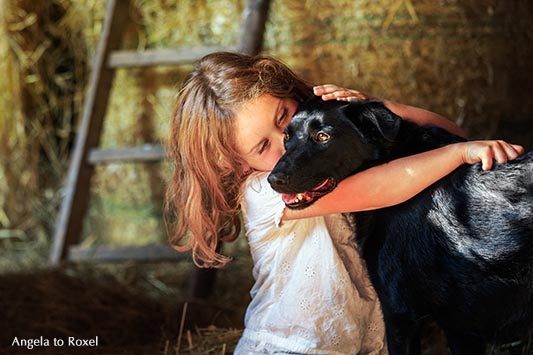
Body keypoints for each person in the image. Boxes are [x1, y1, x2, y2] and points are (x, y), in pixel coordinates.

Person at [165, 52, 524, 355]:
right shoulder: (268, 191)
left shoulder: (331, 158)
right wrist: (458, 154)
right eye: (263, 147)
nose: (288, 146)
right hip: (290, 347)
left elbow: (447, 131)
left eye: (285, 119)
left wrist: (375, 110)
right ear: (235, 164)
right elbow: (387, 187)